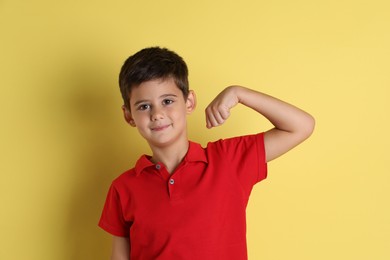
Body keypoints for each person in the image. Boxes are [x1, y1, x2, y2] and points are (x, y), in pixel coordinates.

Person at [99, 47, 315, 260]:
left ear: (189, 102)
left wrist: (239, 93)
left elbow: (301, 126)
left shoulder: (227, 160)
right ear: (129, 116)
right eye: (144, 106)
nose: (157, 114)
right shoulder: (123, 188)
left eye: (167, 101)